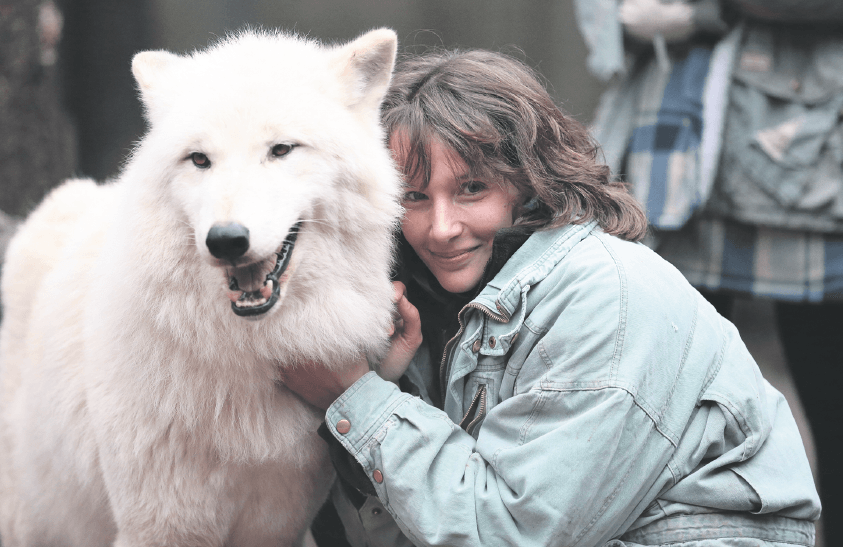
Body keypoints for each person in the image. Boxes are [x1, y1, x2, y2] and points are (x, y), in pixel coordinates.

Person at [285, 49, 820, 547]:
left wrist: (355, 397)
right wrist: (388, 381)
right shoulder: (430, 305)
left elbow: (513, 533)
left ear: (531, 178)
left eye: (472, 188)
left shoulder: (605, 294)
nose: (441, 228)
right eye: (414, 197)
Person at [575, 0, 843, 541]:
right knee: (663, 403)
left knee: (829, 393)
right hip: (667, 149)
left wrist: (703, 9)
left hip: (806, 155)